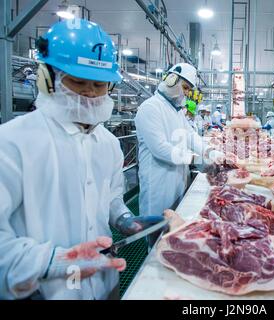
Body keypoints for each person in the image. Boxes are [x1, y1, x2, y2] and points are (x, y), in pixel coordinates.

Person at [0, 19, 163, 300]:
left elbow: (109, 197)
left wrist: (124, 219)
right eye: (77, 82)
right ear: (47, 78)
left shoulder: (108, 143)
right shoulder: (12, 143)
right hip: (43, 288)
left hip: (103, 279)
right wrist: (52, 261)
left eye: (100, 85)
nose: (90, 93)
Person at [135, 63, 225, 218]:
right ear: (171, 79)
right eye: (185, 88)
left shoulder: (176, 111)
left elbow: (190, 135)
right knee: (157, 229)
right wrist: (195, 159)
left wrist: (210, 151)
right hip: (158, 181)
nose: (186, 93)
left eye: (188, 90)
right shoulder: (150, 107)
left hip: (178, 177)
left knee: (175, 223)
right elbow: (160, 148)